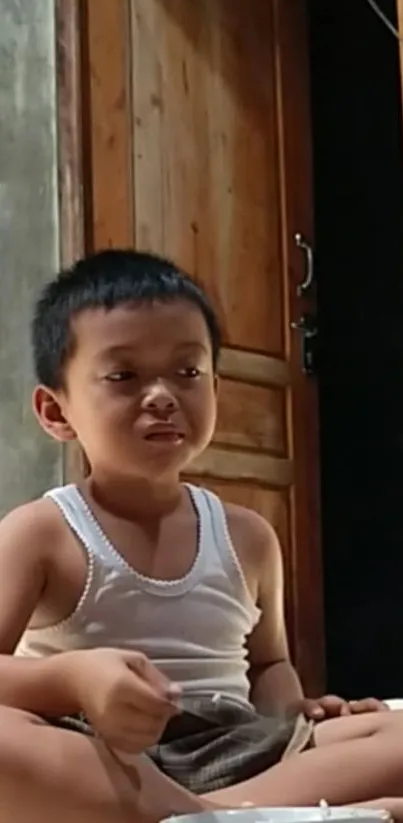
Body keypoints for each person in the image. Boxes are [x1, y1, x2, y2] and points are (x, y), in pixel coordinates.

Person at [0, 249, 403, 823]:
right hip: (104, 757)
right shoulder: (41, 532)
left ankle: (202, 815)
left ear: (216, 387)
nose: (162, 395)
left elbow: (268, 667)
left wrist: (298, 713)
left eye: (187, 373)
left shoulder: (249, 536)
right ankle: (233, 815)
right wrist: (72, 680)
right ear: (55, 410)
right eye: (124, 376)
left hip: (240, 752)